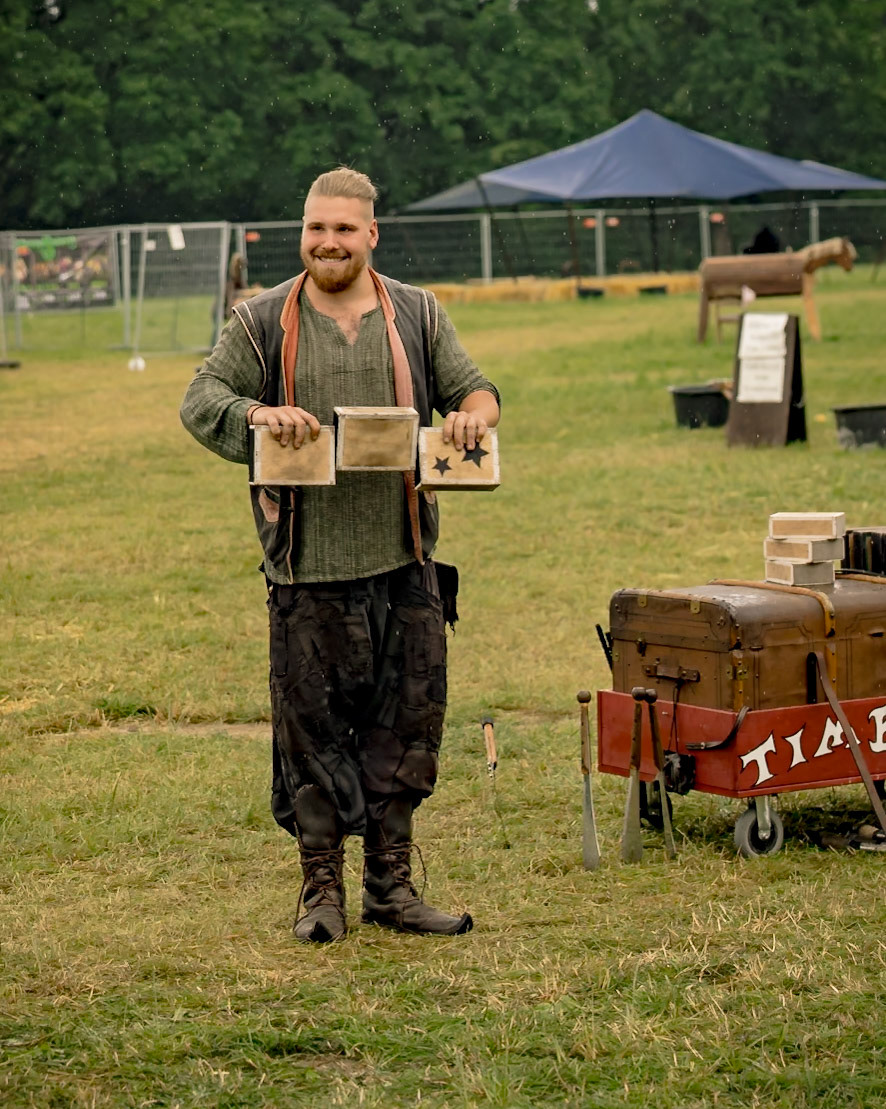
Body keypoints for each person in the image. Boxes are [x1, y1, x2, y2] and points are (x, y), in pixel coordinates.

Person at [180, 167, 500, 943]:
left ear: (371, 235)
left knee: (406, 731)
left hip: (405, 563)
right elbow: (201, 399)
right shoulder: (260, 320)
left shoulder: (418, 312)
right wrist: (257, 413)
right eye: (316, 227)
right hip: (307, 570)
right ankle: (320, 893)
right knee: (312, 740)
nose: (328, 242)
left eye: (344, 229)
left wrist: (471, 417)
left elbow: (476, 389)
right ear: (303, 231)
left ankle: (391, 888)